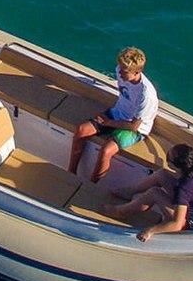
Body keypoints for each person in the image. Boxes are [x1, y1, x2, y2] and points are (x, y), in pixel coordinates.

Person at [67, 46, 158, 182]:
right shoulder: (120, 71)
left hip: (136, 128)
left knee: (106, 150)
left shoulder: (146, 95)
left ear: (137, 72)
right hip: (117, 114)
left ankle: (90, 185)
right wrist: (111, 119)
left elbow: (133, 126)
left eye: (124, 71)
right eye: (120, 68)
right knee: (81, 130)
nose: (119, 73)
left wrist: (109, 123)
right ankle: (71, 173)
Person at [102, 144, 193, 241]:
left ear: (174, 165)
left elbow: (177, 224)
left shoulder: (184, 190)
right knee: (162, 174)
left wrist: (151, 231)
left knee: (155, 193)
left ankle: (121, 212)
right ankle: (131, 192)